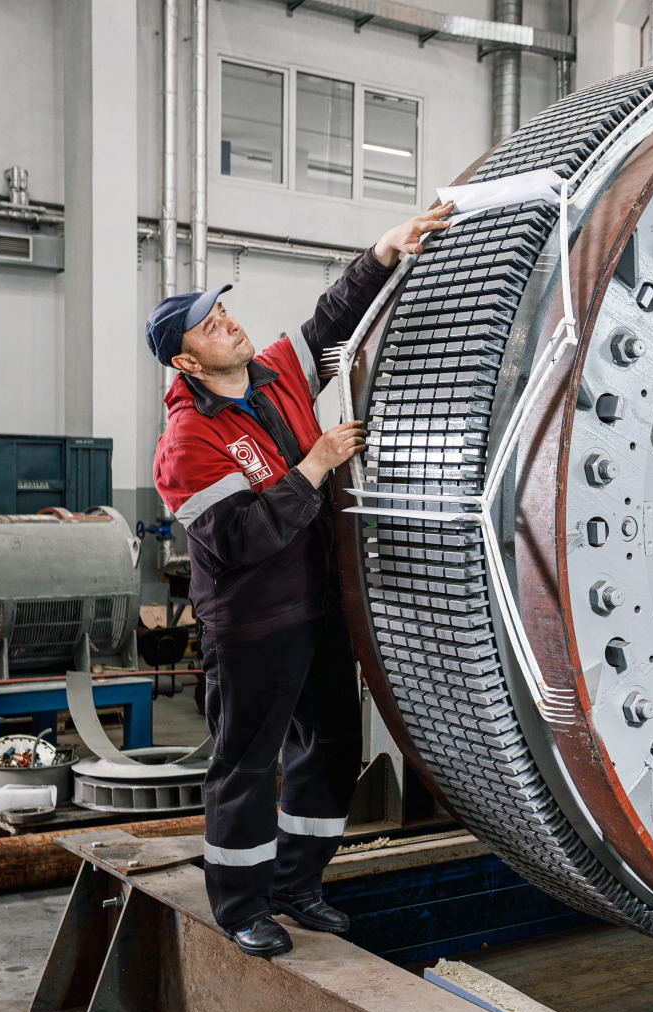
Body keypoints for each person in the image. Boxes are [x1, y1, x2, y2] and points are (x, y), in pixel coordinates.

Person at [148, 204, 452, 958]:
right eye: (209, 326)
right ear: (186, 363)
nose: (228, 324)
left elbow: (330, 320)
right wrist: (314, 464)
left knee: (332, 747)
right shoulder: (188, 443)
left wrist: (383, 252)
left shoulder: (274, 370)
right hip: (252, 628)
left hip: (316, 610)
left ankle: (296, 884)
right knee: (246, 767)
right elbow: (241, 540)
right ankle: (241, 905)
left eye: (223, 310)